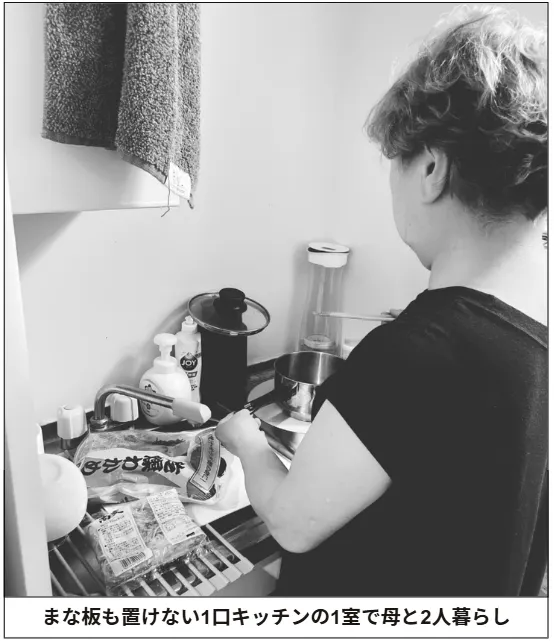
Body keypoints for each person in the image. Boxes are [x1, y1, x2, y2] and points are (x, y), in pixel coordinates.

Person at [216, 5, 547, 596]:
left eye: (394, 163)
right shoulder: (531, 333)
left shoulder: (417, 353)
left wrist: (245, 441)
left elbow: (291, 521)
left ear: (432, 167)